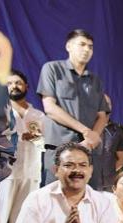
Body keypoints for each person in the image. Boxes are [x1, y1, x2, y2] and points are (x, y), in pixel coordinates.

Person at [0, 70, 46, 223]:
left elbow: (44, 143)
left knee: (23, 222)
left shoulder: (38, 115)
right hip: (7, 174)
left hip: (31, 174)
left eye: (18, 83)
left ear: (26, 87)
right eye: (10, 83)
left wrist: (36, 138)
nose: (14, 86)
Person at [37, 29, 110, 184]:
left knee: (88, 201)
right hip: (60, 148)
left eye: (90, 46)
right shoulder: (52, 69)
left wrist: (92, 138)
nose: (87, 50)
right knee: (56, 200)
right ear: (69, 46)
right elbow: (50, 108)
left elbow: (102, 115)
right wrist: (85, 131)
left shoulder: (95, 80)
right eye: (82, 44)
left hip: (88, 152)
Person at [89, 94, 123, 191]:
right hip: (89, 184)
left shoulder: (118, 132)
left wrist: (108, 174)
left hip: (109, 185)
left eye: (108, 104)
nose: (105, 106)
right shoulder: (87, 129)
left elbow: (121, 160)